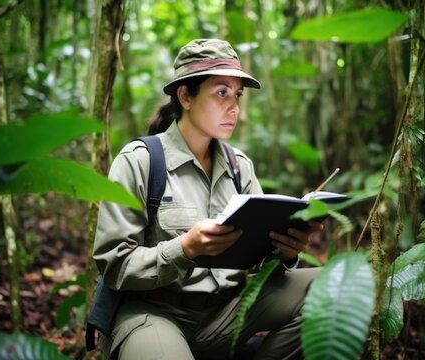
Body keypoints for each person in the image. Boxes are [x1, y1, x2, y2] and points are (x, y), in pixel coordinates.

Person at [92, 38, 323, 360]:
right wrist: (185, 248)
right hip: (156, 314)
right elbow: (114, 266)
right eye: (221, 92)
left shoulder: (240, 167)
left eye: (237, 95)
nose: (234, 107)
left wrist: (285, 252)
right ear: (186, 96)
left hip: (228, 311)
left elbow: (258, 263)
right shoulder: (140, 161)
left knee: (339, 288)